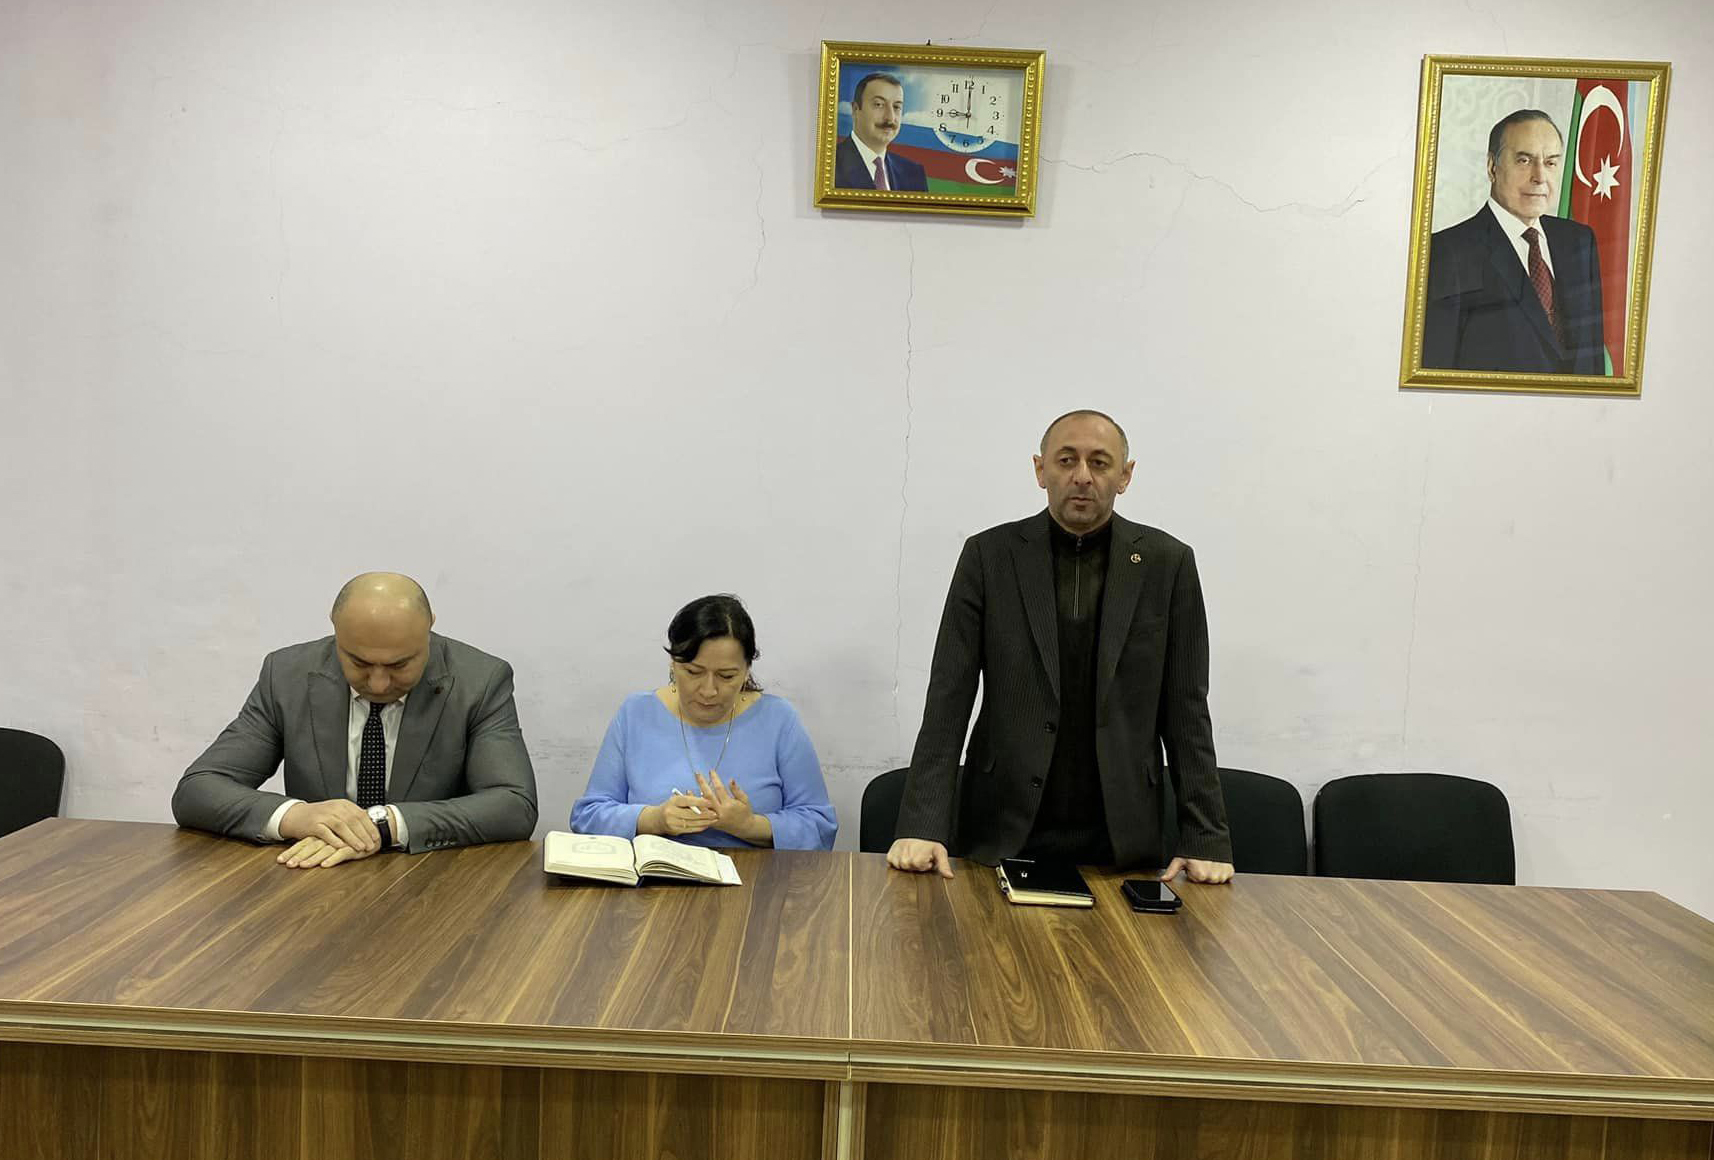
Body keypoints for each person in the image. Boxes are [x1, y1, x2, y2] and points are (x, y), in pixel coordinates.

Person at [888, 410, 1234, 883]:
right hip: (1000, 828)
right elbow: (949, 697)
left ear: (1125, 475)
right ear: (1040, 469)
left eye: (1100, 462)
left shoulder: (1167, 564)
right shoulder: (989, 556)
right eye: (1067, 460)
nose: (1083, 476)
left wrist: (1205, 838)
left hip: (1123, 837)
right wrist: (922, 826)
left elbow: (1187, 710)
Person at [172, 572, 538, 867]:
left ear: (429, 628)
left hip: (432, 881)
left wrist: (382, 825)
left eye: (400, 665)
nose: (378, 683)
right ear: (335, 630)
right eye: (359, 662)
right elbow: (198, 789)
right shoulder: (287, 675)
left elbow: (513, 804)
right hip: (314, 879)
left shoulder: (480, 681)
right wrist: (297, 817)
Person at [571, 594, 837, 850]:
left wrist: (750, 826)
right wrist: (654, 820)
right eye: (693, 672)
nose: (709, 690)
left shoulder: (778, 720)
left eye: (726, 676)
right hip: (655, 876)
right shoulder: (636, 714)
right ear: (673, 663)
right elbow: (587, 817)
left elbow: (820, 826)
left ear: (747, 670)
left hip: (754, 877)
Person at [1422, 108, 1605, 375]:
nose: (1540, 177)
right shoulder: (1448, 251)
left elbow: (1593, 359)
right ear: (1492, 167)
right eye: (1524, 160)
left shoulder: (1580, 242)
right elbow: (1437, 369)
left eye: (1551, 162)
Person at [834, 71, 929, 192]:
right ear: (855, 110)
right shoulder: (829, 165)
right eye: (879, 104)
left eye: (896, 107)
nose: (890, 117)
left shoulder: (914, 173)